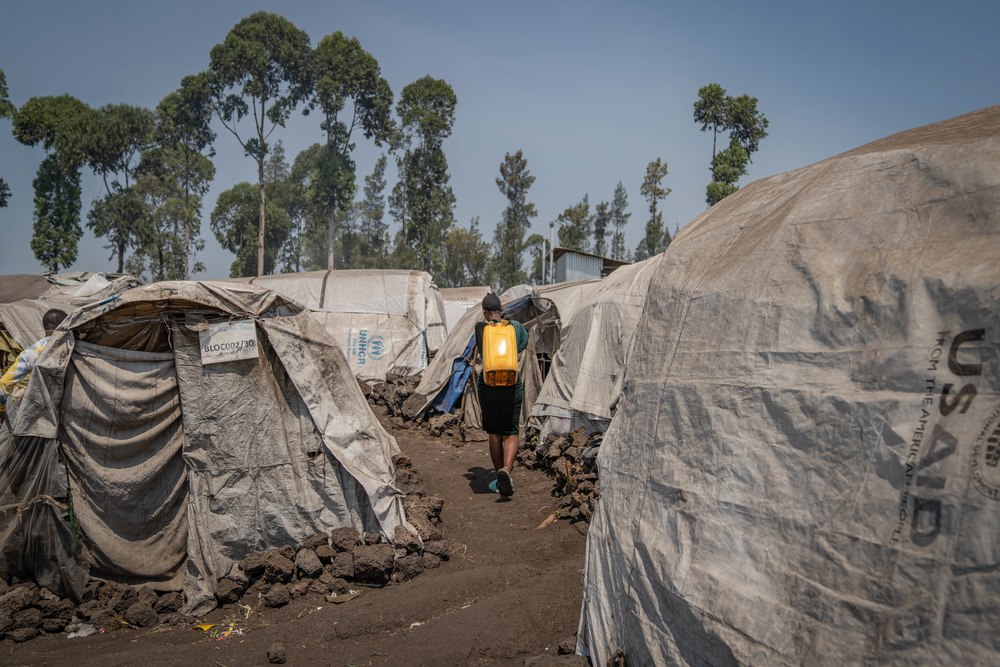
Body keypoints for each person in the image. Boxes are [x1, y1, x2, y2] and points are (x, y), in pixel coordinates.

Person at [475, 293, 528, 497]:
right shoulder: (515, 327)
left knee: (494, 432)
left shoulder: (482, 328)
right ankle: (507, 468)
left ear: (484, 312)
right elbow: (522, 343)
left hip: (488, 384)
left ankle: (499, 479)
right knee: (512, 431)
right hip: (512, 383)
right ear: (502, 308)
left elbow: (482, 351)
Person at [0, 308, 68, 426]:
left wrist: (1, 410)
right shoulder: (73, 347)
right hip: (71, 408)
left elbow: (4, 384)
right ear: (64, 324)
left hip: (44, 412)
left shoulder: (30, 353)